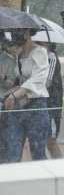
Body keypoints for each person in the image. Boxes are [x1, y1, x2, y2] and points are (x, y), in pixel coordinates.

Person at [4, 28, 50, 162]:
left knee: (38, 154)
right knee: (13, 151)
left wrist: (13, 95)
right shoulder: (18, 52)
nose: (14, 36)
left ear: (27, 33)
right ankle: (14, 182)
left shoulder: (40, 51)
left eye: (17, 33)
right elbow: (15, 78)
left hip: (36, 105)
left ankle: (46, 181)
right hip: (19, 106)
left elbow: (37, 80)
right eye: (13, 33)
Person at [37, 41, 63, 159]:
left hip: (51, 106)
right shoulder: (36, 57)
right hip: (39, 104)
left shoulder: (51, 57)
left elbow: (47, 83)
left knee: (51, 142)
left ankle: (59, 169)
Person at [0, 31, 17, 163]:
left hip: (3, 103)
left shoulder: (10, 60)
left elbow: (10, 85)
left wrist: (1, 74)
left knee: (3, 140)